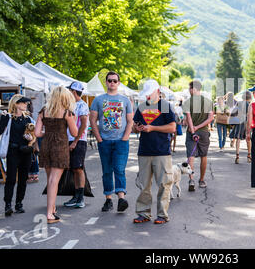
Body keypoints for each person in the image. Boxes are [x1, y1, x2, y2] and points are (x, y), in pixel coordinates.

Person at [132, 80, 176, 224]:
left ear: (157, 91)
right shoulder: (142, 106)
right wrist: (136, 129)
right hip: (144, 150)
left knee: (164, 184)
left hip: (162, 151)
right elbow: (134, 126)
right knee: (144, 184)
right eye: (146, 94)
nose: (148, 97)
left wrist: (153, 128)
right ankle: (143, 213)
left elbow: (172, 127)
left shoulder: (165, 106)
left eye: (149, 94)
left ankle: (162, 215)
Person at [90, 71, 133, 213]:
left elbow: (130, 121)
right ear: (106, 82)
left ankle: (121, 198)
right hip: (105, 141)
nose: (112, 83)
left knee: (119, 169)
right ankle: (108, 199)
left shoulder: (125, 100)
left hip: (121, 141)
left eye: (115, 81)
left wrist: (125, 137)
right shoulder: (98, 100)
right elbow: (92, 120)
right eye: (110, 80)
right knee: (107, 171)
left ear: (118, 83)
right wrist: (99, 138)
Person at [35, 86, 78, 224]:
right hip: (59, 146)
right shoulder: (67, 113)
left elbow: (37, 133)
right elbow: (75, 133)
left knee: (50, 179)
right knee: (54, 180)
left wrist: (47, 134)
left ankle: (52, 209)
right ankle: (49, 214)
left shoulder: (43, 112)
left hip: (46, 146)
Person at [0, 95, 34, 216]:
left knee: (23, 179)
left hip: (25, 152)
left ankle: (19, 203)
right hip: (13, 151)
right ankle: (8, 205)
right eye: (23, 103)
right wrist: (3, 119)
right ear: (16, 104)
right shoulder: (8, 117)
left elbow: (33, 135)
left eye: (26, 103)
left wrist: (30, 138)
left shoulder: (28, 119)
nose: (25, 105)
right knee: (11, 179)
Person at [183, 80, 214, 191]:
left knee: (190, 156)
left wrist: (193, 130)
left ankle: (191, 179)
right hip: (204, 132)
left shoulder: (187, 102)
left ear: (194, 89)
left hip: (191, 132)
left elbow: (189, 119)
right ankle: (201, 180)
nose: (189, 90)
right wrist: (199, 127)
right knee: (203, 156)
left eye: (189, 88)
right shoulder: (208, 102)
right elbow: (210, 118)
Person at [64, 81, 90, 208]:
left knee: (78, 168)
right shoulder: (68, 105)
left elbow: (84, 124)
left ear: (74, 91)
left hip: (79, 140)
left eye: (69, 90)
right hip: (68, 139)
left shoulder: (82, 105)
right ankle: (76, 195)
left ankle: (81, 198)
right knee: (73, 169)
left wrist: (75, 141)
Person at [232, 91, 252, 164]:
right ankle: (249, 156)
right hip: (247, 122)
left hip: (239, 122)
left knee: (238, 139)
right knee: (248, 139)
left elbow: (233, 113)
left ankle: (237, 156)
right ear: (250, 97)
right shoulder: (250, 105)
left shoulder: (239, 103)